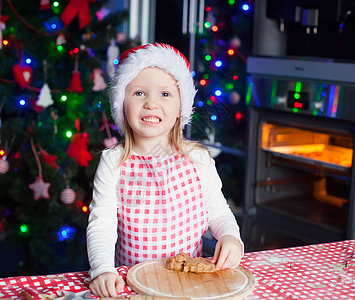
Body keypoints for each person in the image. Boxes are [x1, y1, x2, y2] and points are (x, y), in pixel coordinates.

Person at [86, 43, 244, 297]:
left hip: (187, 285)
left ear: (181, 108)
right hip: (132, 285)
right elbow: (101, 223)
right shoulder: (113, 162)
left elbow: (218, 211)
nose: (151, 103)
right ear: (121, 104)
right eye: (138, 93)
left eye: (165, 94)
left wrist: (230, 237)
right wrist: (103, 269)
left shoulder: (198, 159)